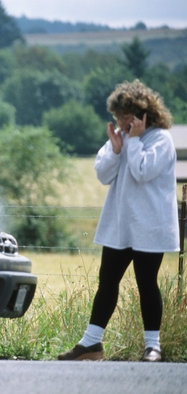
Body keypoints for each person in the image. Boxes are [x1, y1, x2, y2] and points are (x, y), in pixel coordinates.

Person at [58, 79, 178, 362]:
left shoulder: (161, 140)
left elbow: (142, 171)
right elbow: (102, 174)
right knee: (107, 281)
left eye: (126, 117)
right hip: (120, 224)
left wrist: (133, 141)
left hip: (149, 225)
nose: (121, 122)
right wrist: (114, 149)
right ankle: (91, 344)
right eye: (118, 117)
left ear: (143, 113)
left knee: (147, 283)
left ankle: (153, 347)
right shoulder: (122, 137)